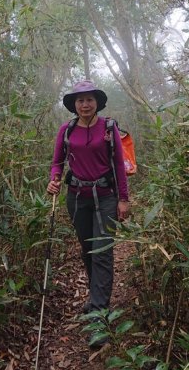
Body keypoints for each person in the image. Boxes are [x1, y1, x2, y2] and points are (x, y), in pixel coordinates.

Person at [47, 80, 130, 344]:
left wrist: (124, 199)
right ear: (74, 104)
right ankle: (97, 298)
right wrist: (54, 179)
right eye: (80, 100)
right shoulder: (67, 129)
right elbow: (57, 162)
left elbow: (118, 164)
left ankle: (99, 317)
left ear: (97, 102)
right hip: (76, 198)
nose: (85, 104)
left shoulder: (108, 128)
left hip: (106, 197)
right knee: (87, 250)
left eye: (89, 99)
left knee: (102, 252)